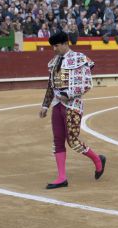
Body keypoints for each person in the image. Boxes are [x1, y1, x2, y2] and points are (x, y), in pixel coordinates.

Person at [39, 32, 106, 188]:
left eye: (56, 46)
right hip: (57, 105)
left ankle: (98, 159)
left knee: (73, 141)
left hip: (73, 105)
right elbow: (51, 85)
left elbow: (87, 84)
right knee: (58, 141)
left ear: (65, 44)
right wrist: (45, 105)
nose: (54, 49)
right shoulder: (54, 62)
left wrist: (68, 94)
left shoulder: (79, 59)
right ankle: (62, 178)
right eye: (53, 46)